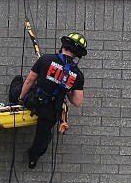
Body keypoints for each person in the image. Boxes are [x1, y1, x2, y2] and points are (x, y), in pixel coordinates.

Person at [19, 33, 87, 169]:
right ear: (78, 55)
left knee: (17, 82)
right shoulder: (78, 75)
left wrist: (21, 98)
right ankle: (33, 157)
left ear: (63, 45)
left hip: (33, 101)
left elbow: (29, 81)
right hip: (50, 111)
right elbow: (77, 102)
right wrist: (67, 87)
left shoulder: (46, 59)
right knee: (43, 137)